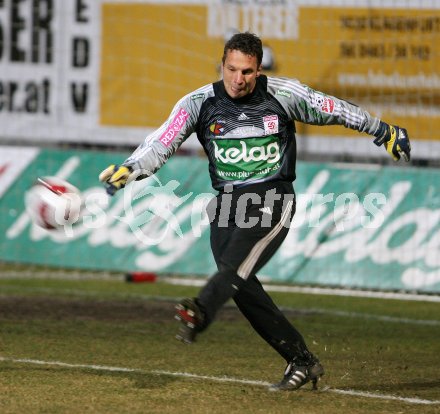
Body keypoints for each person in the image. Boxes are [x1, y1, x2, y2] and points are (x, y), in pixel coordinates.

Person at [99, 32, 411, 391]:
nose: (238, 79)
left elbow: (333, 108)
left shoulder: (284, 94)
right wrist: (130, 168)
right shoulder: (198, 103)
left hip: (273, 200)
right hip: (228, 205)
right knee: (238, 282)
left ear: (258, 69)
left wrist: (383, 130)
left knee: (232, 269)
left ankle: (199, 311)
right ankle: (301, 359)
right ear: (222, 65)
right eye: (231, 69)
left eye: (247, 71)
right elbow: (162, 141)